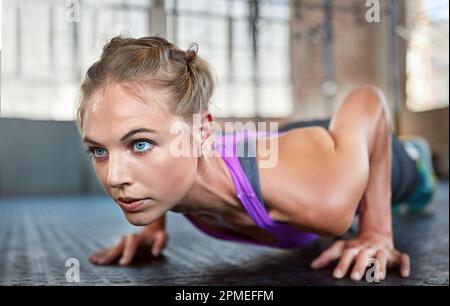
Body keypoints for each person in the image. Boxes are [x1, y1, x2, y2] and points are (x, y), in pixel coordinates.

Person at [76, 36, 438, 282]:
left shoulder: (323, 200)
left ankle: (414, 152)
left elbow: (369, 100)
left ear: (202, 132)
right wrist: (151, 227)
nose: (114, 178)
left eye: (139, 144)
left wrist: (377, 231)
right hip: (279, 145)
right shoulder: (164, 175)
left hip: (364, 156)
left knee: (416, 184)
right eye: (99, 150)